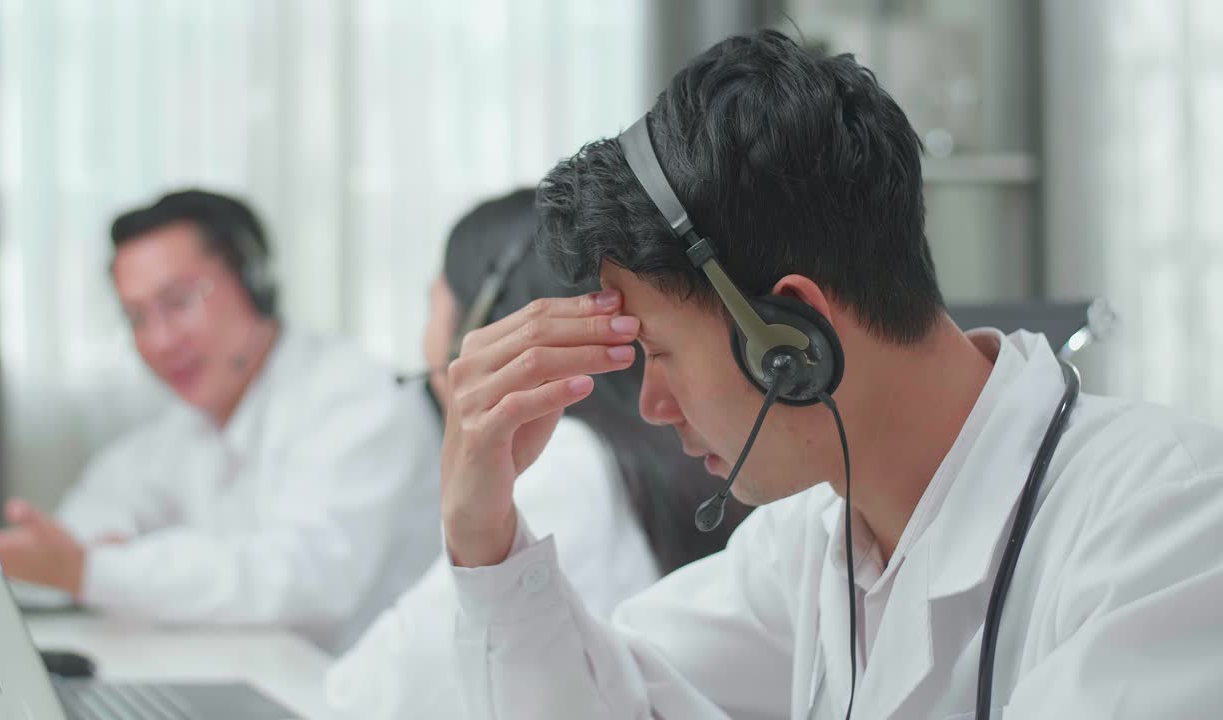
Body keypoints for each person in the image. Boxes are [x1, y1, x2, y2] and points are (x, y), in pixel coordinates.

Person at [438, 31, 1223, 719]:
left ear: (791, 338)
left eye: (661, 353)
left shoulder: (1170, 515)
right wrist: (484, 536)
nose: (649, 405)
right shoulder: (813, 542)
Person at [324, 188, 747, 718]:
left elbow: (369, 697)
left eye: (432, 303)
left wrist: (473, 533)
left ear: (477, 321)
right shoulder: (648, 450)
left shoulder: (564, 464)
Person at [0, 189, 440, 652]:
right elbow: (94, 513)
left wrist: (96, 570)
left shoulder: (357, 397)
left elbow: (304, 580)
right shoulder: (188, 423)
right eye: (136, 317)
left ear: (255, 282)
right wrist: (80, 559)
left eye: (178, 302)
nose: (158, 340)